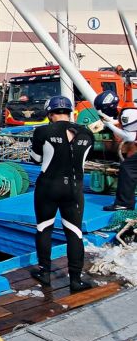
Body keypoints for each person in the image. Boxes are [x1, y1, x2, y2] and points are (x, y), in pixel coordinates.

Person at [29, 95, 94, 293]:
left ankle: (45, 273)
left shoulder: (42, 131)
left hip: (48, 186)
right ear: (69, 112)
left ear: (50, 114)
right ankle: (76, 280)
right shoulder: (87, 133)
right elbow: (84, 158)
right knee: (74, 233)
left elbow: (35, 158)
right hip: (74, 188)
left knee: (44, 228)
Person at [94, 91, 137, 212]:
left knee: (127, 168)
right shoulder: (129, 109)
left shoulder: (126, 114)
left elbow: (129, 137)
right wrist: (110, 122)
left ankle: (124, 203)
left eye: (104, 110)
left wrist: (109, 125)